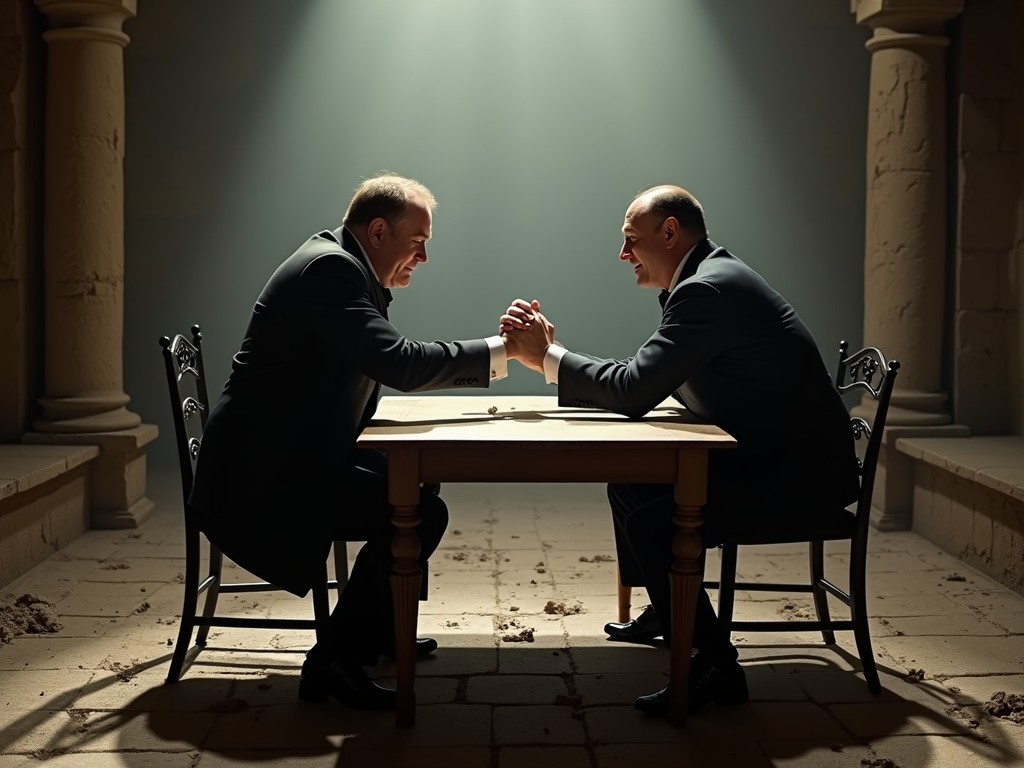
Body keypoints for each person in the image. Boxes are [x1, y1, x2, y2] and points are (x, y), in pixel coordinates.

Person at [499, 185, 859, 716]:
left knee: (654, 525)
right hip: (776, 456)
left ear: (669, 232)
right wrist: (555, 357)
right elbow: (644, 375)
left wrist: (548, 356)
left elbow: (636, 389)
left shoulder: (706, 290)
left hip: (793, 479)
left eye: (630, 241)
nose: (624, 255)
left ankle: (716, 667)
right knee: (630, 483)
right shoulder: (707, 278)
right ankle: (671, 614)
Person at [189, 172, 512, 710]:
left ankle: (378, 632)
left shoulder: (343, 263)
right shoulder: (331, 271)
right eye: (418, 244)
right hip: (261, 479)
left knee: (417, 482)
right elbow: (397, 361)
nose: (423, 258)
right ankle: (333, 662)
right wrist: (502, 351)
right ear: (379, 230)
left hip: (289, 451)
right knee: (418, 514)